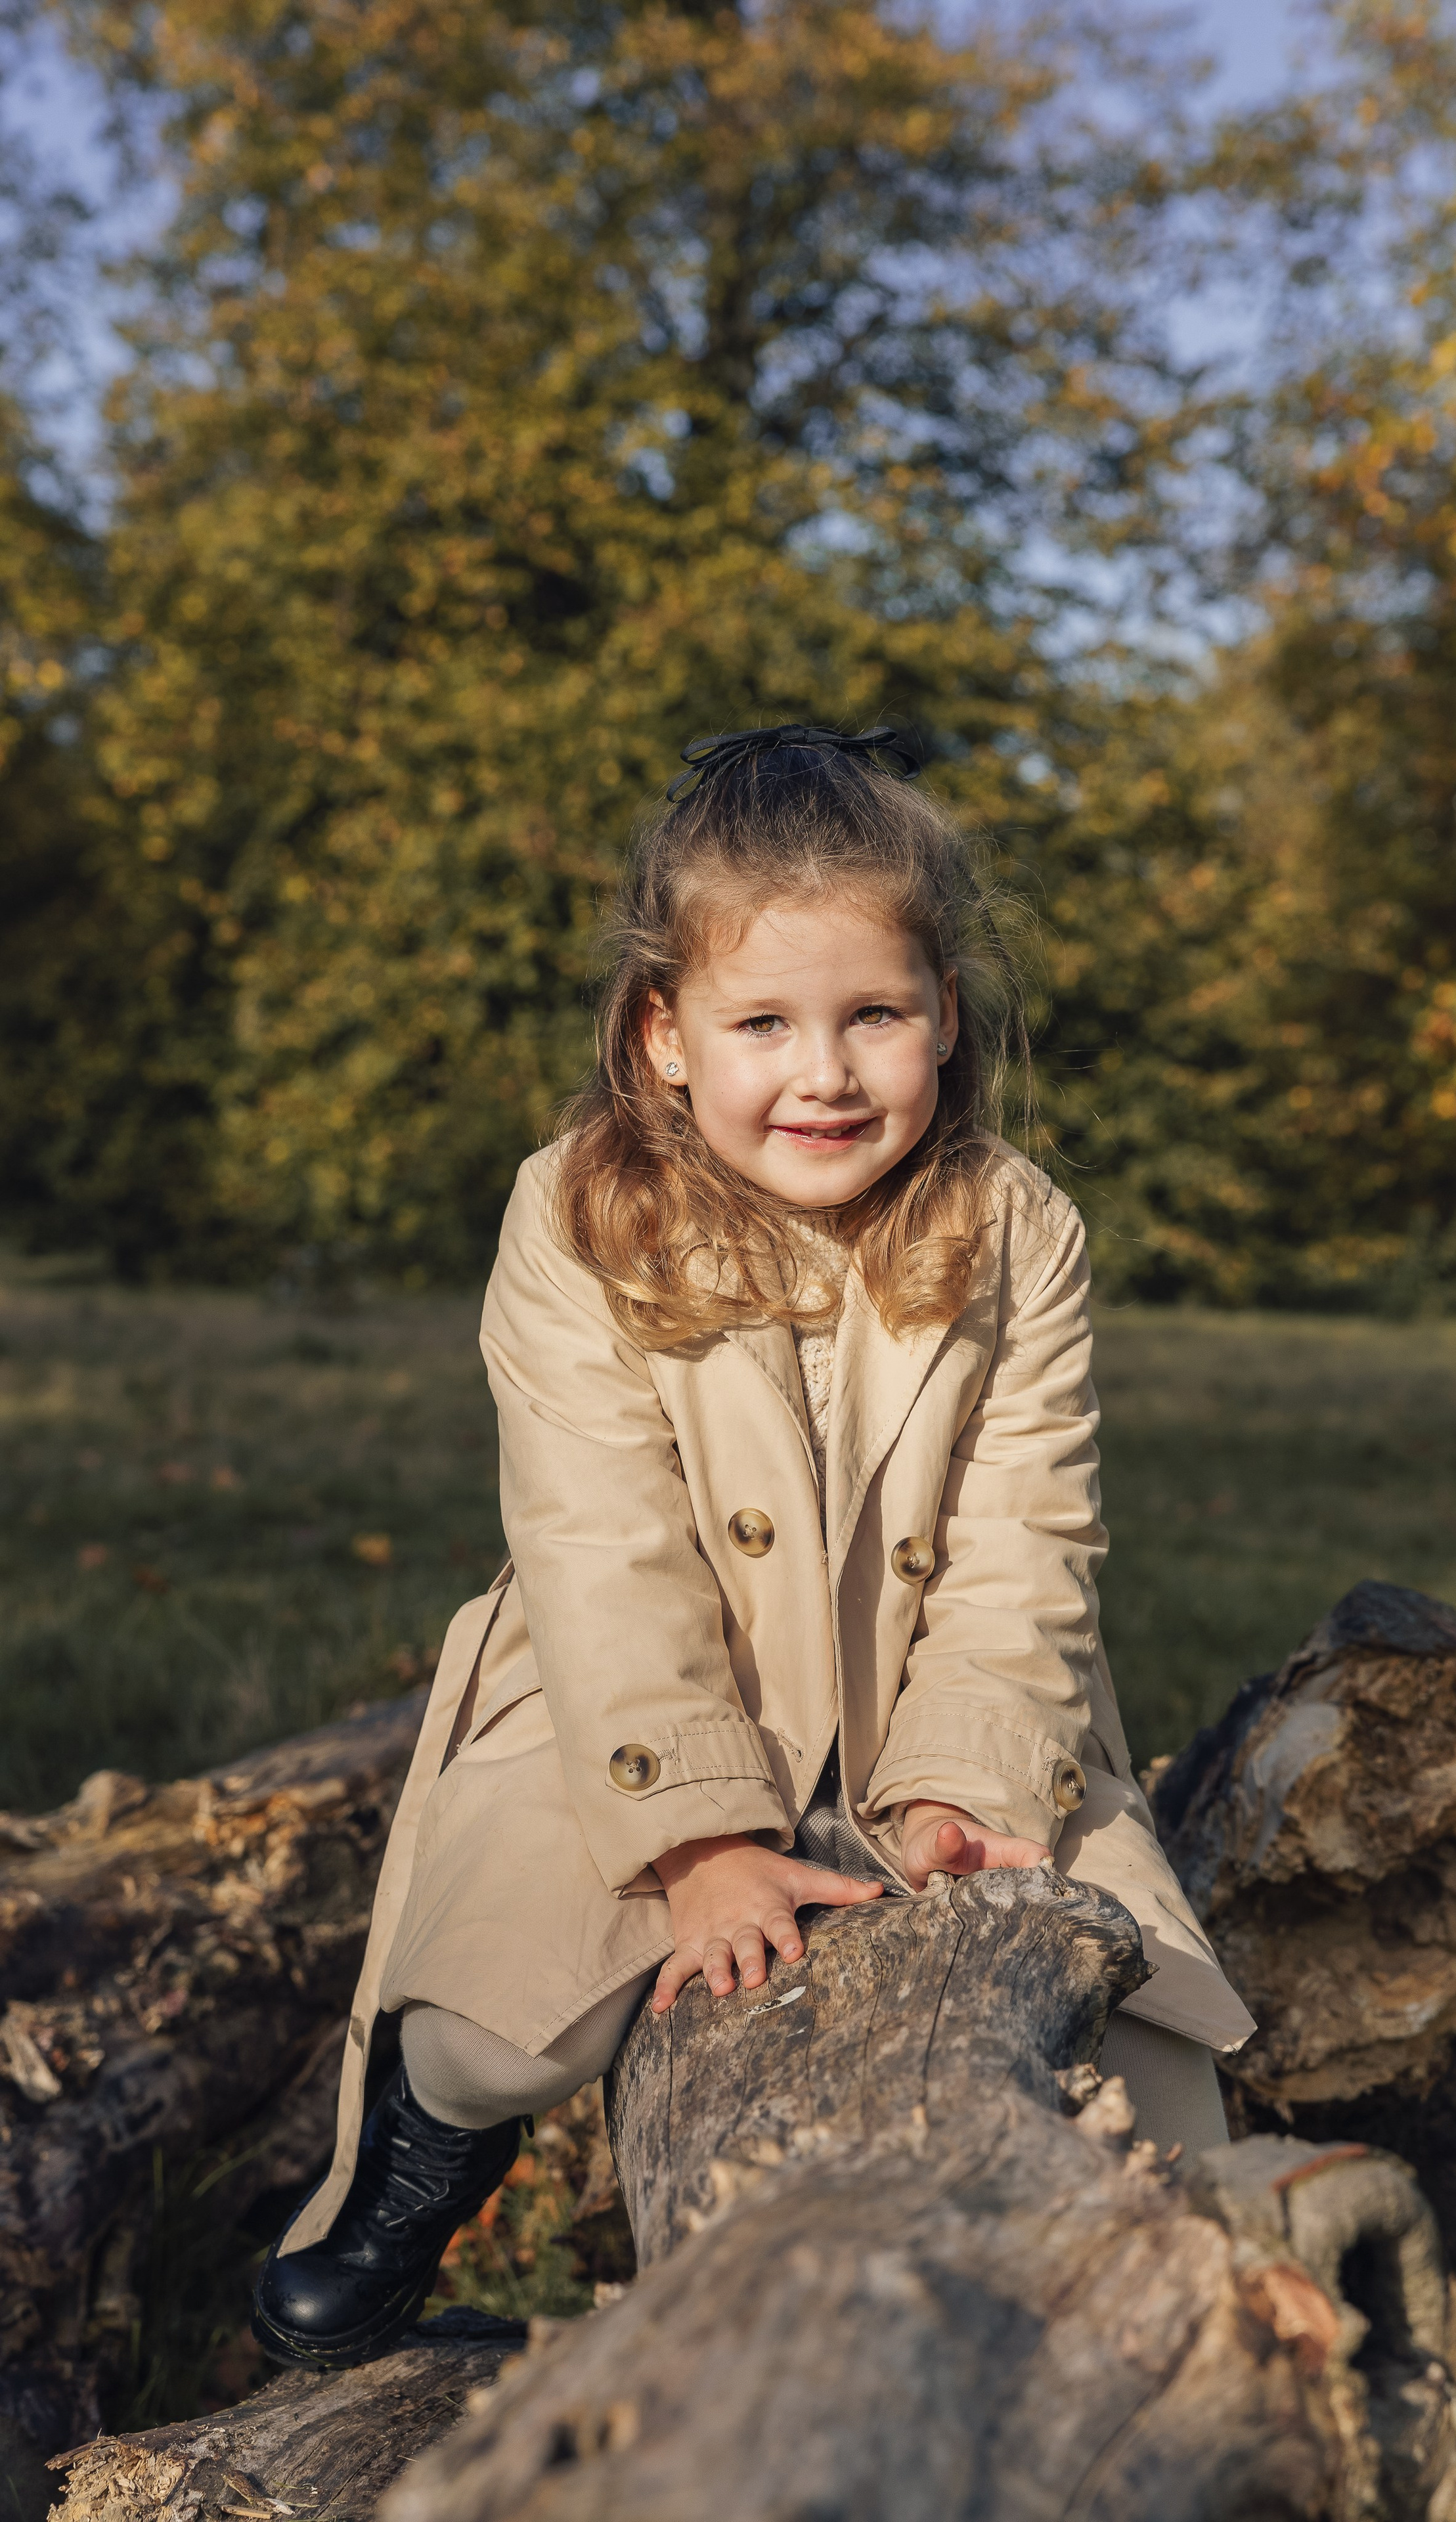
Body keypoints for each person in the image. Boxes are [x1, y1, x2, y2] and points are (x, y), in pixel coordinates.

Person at [250, 723, 1254, 2371]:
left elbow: (1027, 1531)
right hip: (637, 1701)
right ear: (662, 1036)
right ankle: (408, 2166)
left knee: (1143, 2086)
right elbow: (598, 1548)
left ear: (942, 1011)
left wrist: (965, 1782)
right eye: (762, 1024)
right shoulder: (577, 1210)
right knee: (498, 2016)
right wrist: (701, 1844)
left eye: (872, 1015)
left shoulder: (1013, 1227)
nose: (825, 1074)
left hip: (938, 1700)